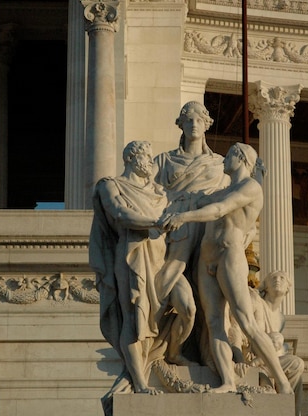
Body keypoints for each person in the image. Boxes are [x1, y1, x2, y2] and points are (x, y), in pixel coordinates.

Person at [160, 143, 293, 395]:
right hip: (206, 260)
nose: (224, 159)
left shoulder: (250, 187)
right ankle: (227, 380)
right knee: (213, 323)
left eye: (230, 154)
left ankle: (282, 382)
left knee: (245, 321)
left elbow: (218, 210)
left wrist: (183, 218)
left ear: (241, 158)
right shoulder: (223, 189)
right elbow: (195, 199)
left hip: (229, 257)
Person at [90, 141, 168, 410]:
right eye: (147, 155)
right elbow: (120, 213)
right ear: (133, 158)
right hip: (131, 253)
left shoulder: (158, 190)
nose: (151, 160)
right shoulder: (110, 185)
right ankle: (140, 381)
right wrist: (157, 222)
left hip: (161, 256)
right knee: (134, 314)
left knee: (183, 306)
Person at [152, 101, 229, 366]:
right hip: (177, 230)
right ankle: (151, 326)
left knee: (211, 292)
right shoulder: (163, 161)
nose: (194, 124)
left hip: (207, 229)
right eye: (188, 120)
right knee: (172, 276)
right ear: (181, 125)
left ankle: (212, 354)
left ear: (207, 124)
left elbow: (232, 202)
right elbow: (144, 189)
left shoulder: (220, 165)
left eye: (198, 119)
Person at [231, 271, 305, 416]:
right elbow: (237, 327)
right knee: (268, 388)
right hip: (250, 360)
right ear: (265, 286)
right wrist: (239, 359)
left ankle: (295, 411)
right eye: (273, 278)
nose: (278, 280)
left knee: (297, 364)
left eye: (282, 278)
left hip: (266, 363)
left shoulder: (281, 318)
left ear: (288, 288)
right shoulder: (256, 301)